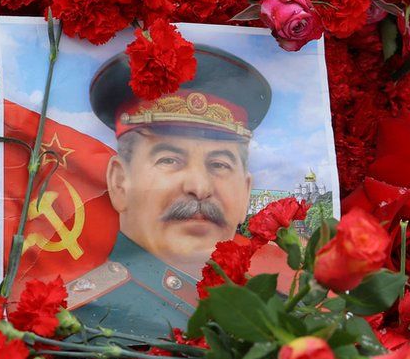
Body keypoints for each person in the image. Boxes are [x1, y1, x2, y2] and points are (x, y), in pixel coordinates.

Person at [67, 45, 272, 338]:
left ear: (246, 192)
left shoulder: (278, 313)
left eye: (220, 163)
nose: (200, 188)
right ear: (119, 182)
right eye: (170, 160)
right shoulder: (78, 321)